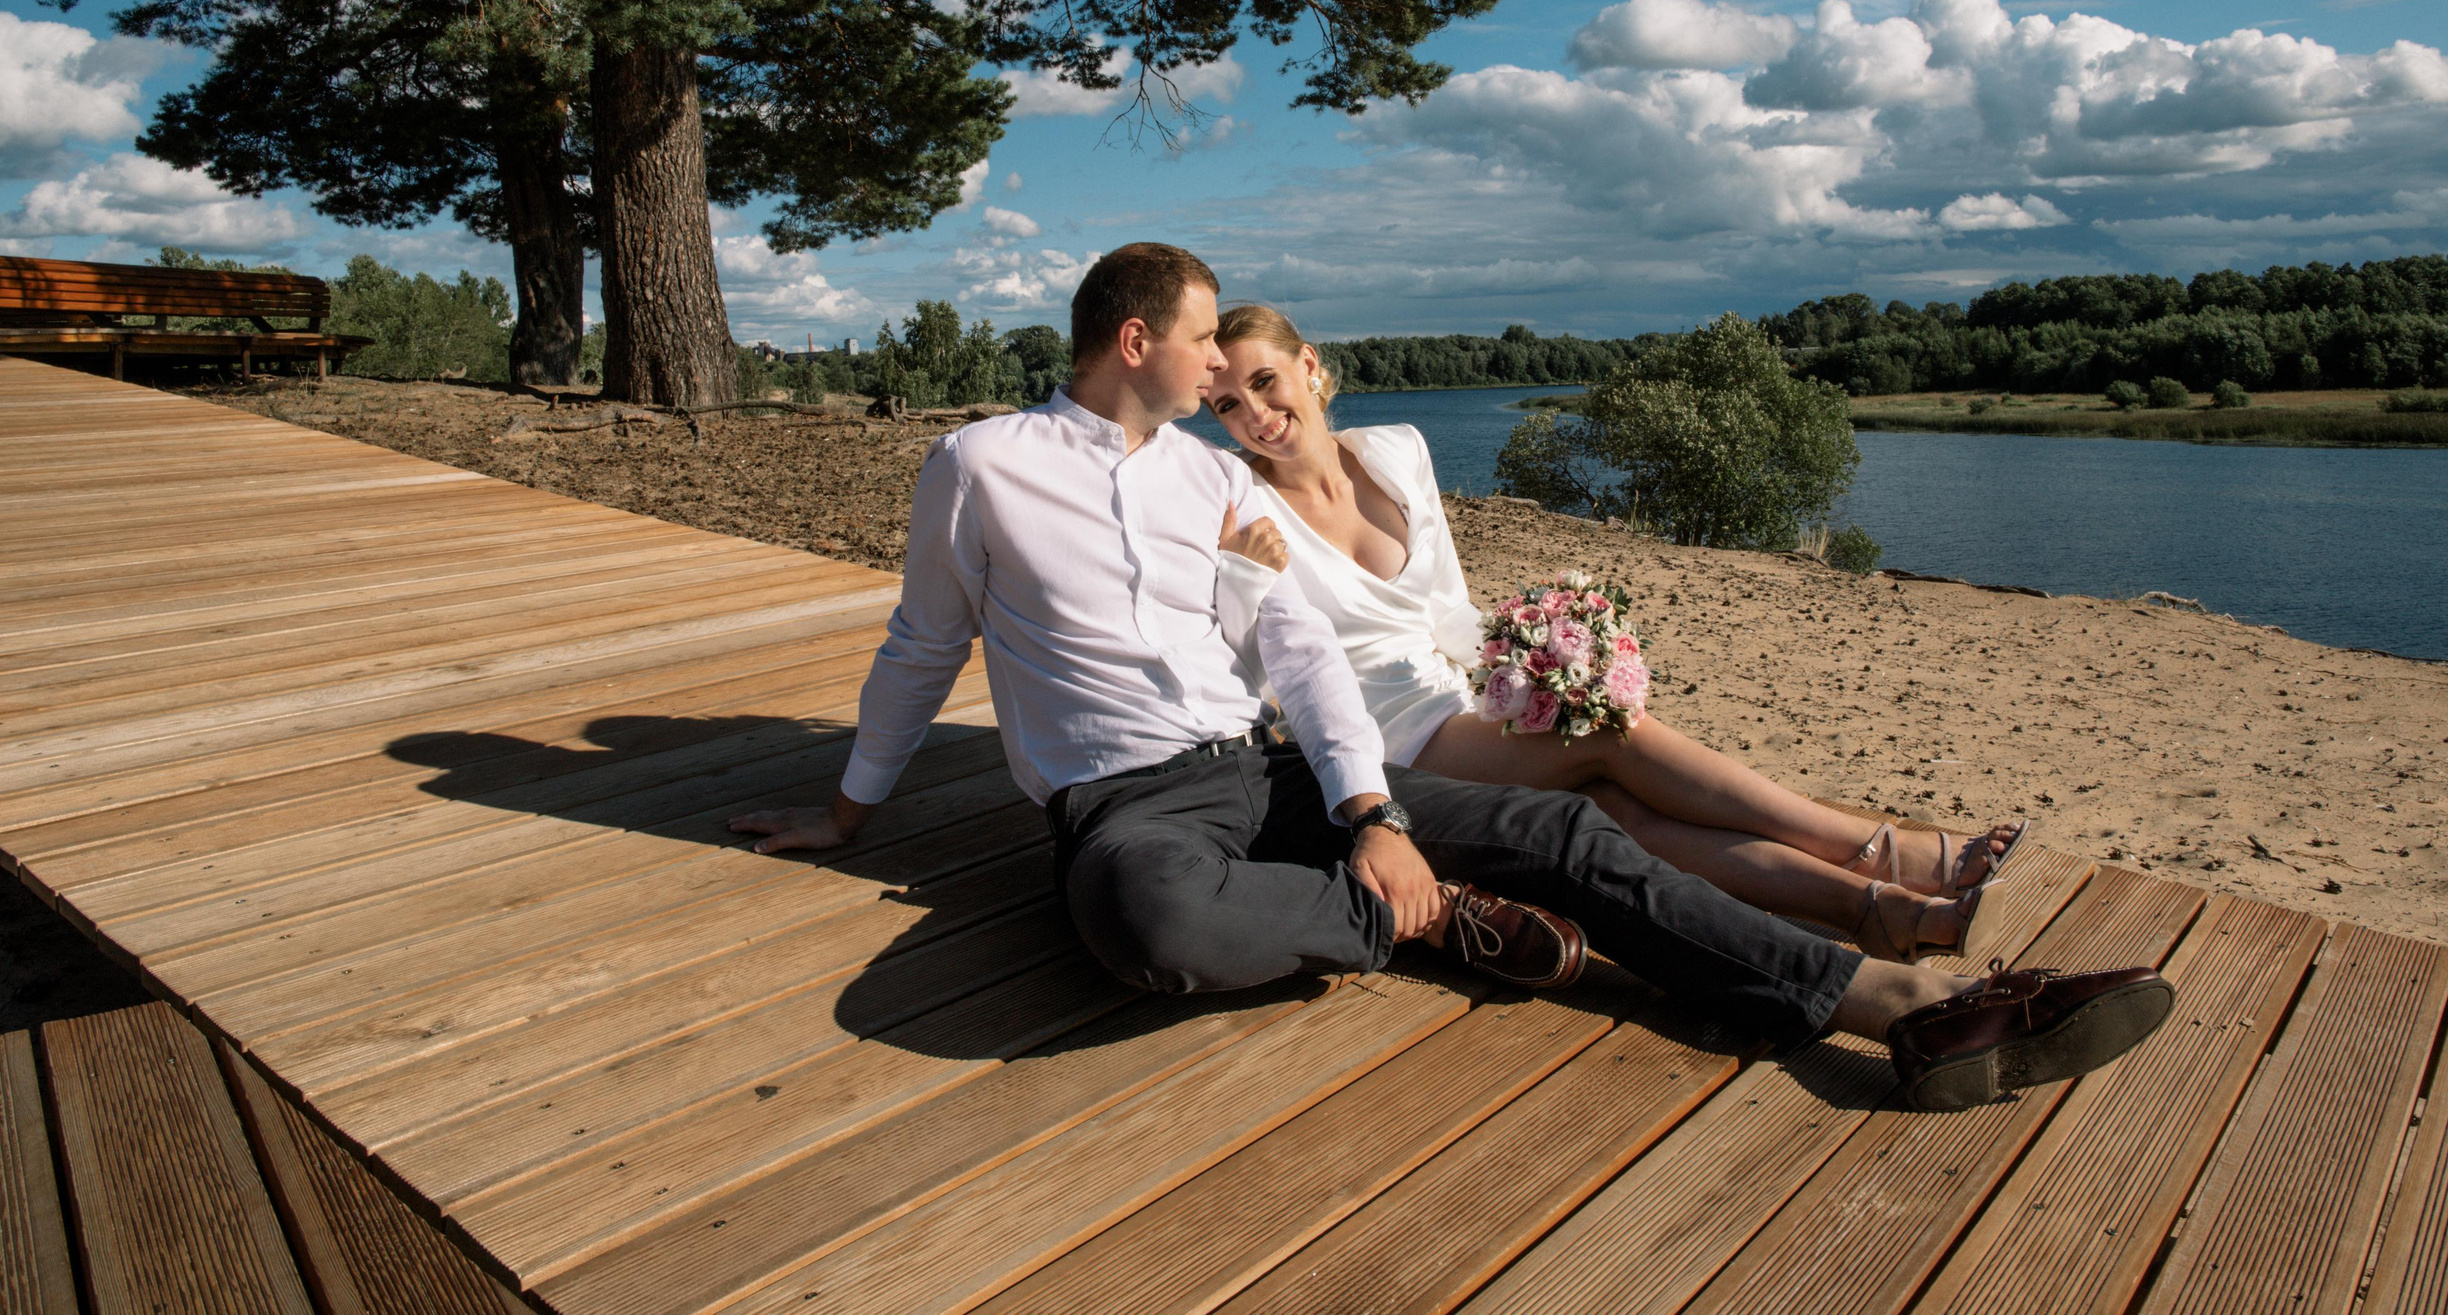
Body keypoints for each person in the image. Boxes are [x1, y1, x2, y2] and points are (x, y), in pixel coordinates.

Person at [732, 243, 2171, 1112]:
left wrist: (1368, 804)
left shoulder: (1208, 482)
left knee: (1570, 829)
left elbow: (1293, 641)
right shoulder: (980, 465)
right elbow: (924, 639)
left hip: (1268, 765)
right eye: (1202, 337)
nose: (1221, 366)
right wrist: (854, 811)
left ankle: (1906, 1006)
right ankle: (1424, 924)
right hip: (1125, 804)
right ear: (1138, 341)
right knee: (1144, 911)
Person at [1203, 303, 2016, 965]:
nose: (1256, 416)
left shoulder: (1396, 450)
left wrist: (1537, 663)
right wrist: (1239, 573)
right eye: (1227, 405)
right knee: (1610, 734)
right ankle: (1889, 852)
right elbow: (1249, 658)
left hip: (1456, 702)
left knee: (1613, 803)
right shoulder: (1240, 504)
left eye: (1265, 382)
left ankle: (1868, 908)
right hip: (1388, 741)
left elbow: (1450, 609)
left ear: (1311, 365)